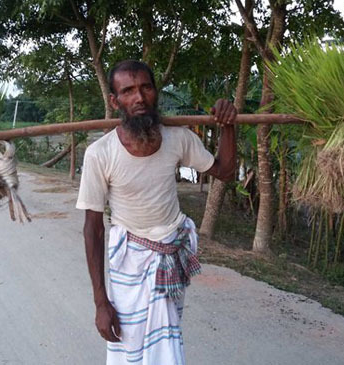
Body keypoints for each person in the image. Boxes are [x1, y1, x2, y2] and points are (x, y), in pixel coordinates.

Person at [76, 60, 236, 364]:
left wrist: (228, 126)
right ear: (115, 101)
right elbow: (93, 228)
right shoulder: (100, 154)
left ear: (155, 92)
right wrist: (100, 302)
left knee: (166, 337)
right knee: (129, 344)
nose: (139, 98)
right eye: (128, 91)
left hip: (170, 258)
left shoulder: (178, 138)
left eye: (145, 88)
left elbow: (226, 171)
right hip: (130, 264)